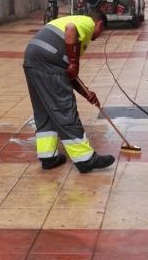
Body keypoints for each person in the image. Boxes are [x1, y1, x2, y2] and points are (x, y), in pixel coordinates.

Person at [23, 11, 115, 173]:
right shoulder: (87, 23)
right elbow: (71, 29)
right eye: (102, 32)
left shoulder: (74, 38)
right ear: (99, 25)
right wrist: (74, 62)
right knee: (64, 108)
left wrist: (87, 94)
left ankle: (48, 157)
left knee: (44, 109)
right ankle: (85, 159)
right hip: (48, 60)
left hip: (33, 58)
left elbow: (69, 75)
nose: (99, 36)